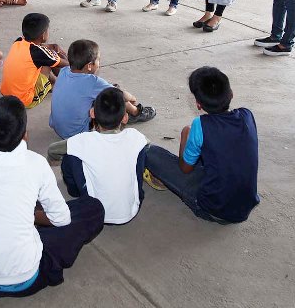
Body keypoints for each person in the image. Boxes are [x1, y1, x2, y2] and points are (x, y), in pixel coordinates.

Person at [0, 96, 105, 297]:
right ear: (24, 136)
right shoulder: (35, 164)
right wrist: (31, 215)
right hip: (28, 278)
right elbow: (61, 219)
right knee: (92, 208)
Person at [145, 67, 260, 224]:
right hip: (245, 205)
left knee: (149, 152)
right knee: (212, 151)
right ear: (231, 94)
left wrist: (185, 135)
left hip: (212, 208)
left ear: (198, 104)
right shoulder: (247, 115)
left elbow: (185, 168)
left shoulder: (200, 125)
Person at [57, 87, 149, 225]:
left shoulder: (82, 141)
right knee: (140, 151)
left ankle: (75, 192)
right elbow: (147, 144)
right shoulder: (135, 137)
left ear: (92, 113)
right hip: (132, 210)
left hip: (94, 212)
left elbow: (53, 150)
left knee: (69, 157)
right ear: (125, 118)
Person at [48, 39, 155, 140]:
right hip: (77, 134)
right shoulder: (92, 82)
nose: (100, 63)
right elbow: (120, 95)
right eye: (98, 60)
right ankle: (136, 113)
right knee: (114, 94)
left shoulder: (64, 71)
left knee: (105, 89)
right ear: (89, 65)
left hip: (58, 128)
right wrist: (131, 97)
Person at [0, 13, 67, 108]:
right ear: (43, 35)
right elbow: (64, 64)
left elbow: (36, 48)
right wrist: (69, 58)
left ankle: (53, 83)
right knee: (50, 60)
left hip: (5, 92)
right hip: (24, 100)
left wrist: (50, 46)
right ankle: (56, 84)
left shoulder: (18, 41)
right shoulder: (39, 53)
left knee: (45, 57)